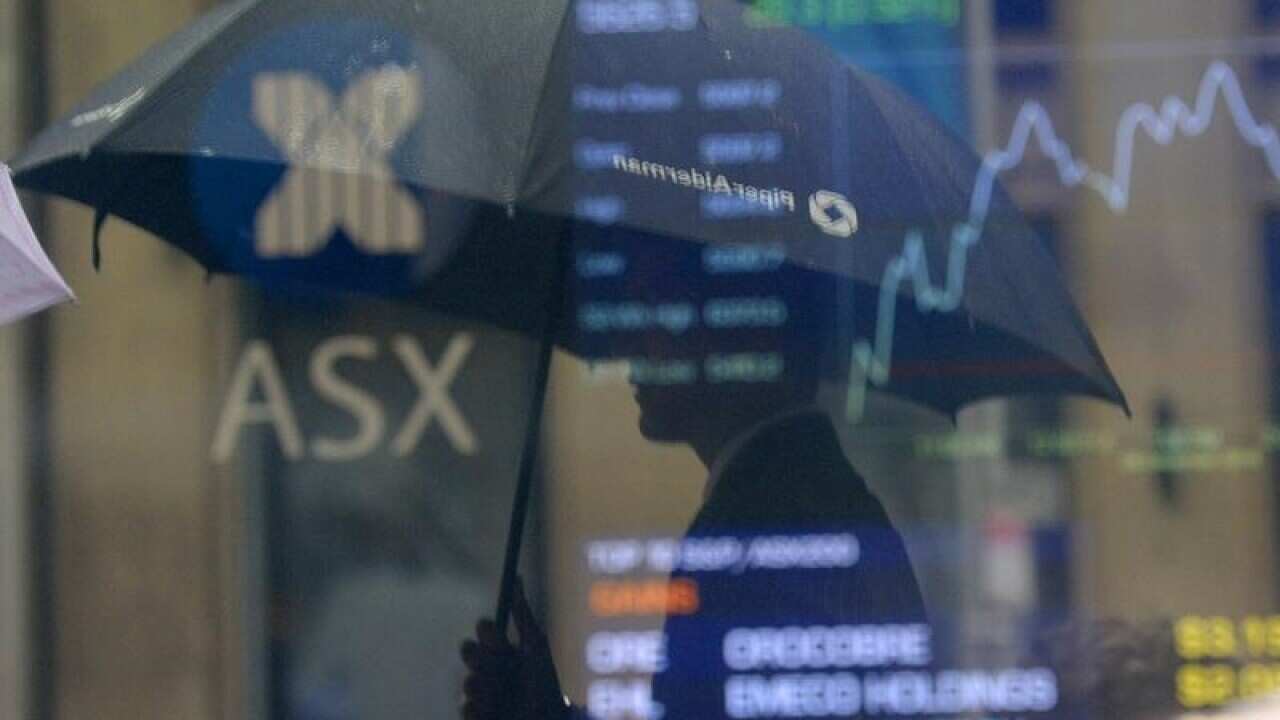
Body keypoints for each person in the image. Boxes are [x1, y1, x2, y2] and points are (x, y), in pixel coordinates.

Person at [461, 231, 927, 720]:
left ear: (746, 331)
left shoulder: (755, 523)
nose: (627, 342)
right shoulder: (812, 497)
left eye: (658, 310)